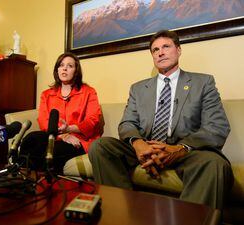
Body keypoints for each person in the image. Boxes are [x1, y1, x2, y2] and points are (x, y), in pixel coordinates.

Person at [88, 30, 233, 209]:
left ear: (178, 50)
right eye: (155, 50)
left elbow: (217, 126)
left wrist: (180, 149)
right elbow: (127, 123)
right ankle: (122, 212)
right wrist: (138, 143)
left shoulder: (203, 83)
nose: (160, 52)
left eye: (166, 46)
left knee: (215, 164)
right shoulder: (138, 88)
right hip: (144, 147)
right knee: (101, 147)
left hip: (185, 151)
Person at [20, 52, 103, 174]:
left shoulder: (88, 92)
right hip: (54, 136)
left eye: (70, 66)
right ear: (57, 70)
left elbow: (93, 120)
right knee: (31, 139)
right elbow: (43, 122)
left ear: (76, 71)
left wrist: (69, 129)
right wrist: (63, 135)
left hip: (78, 140)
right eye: (61, 65)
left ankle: (45, 184)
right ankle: (21, 178)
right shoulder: (46, 94)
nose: (64, 68)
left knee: (52, 152)